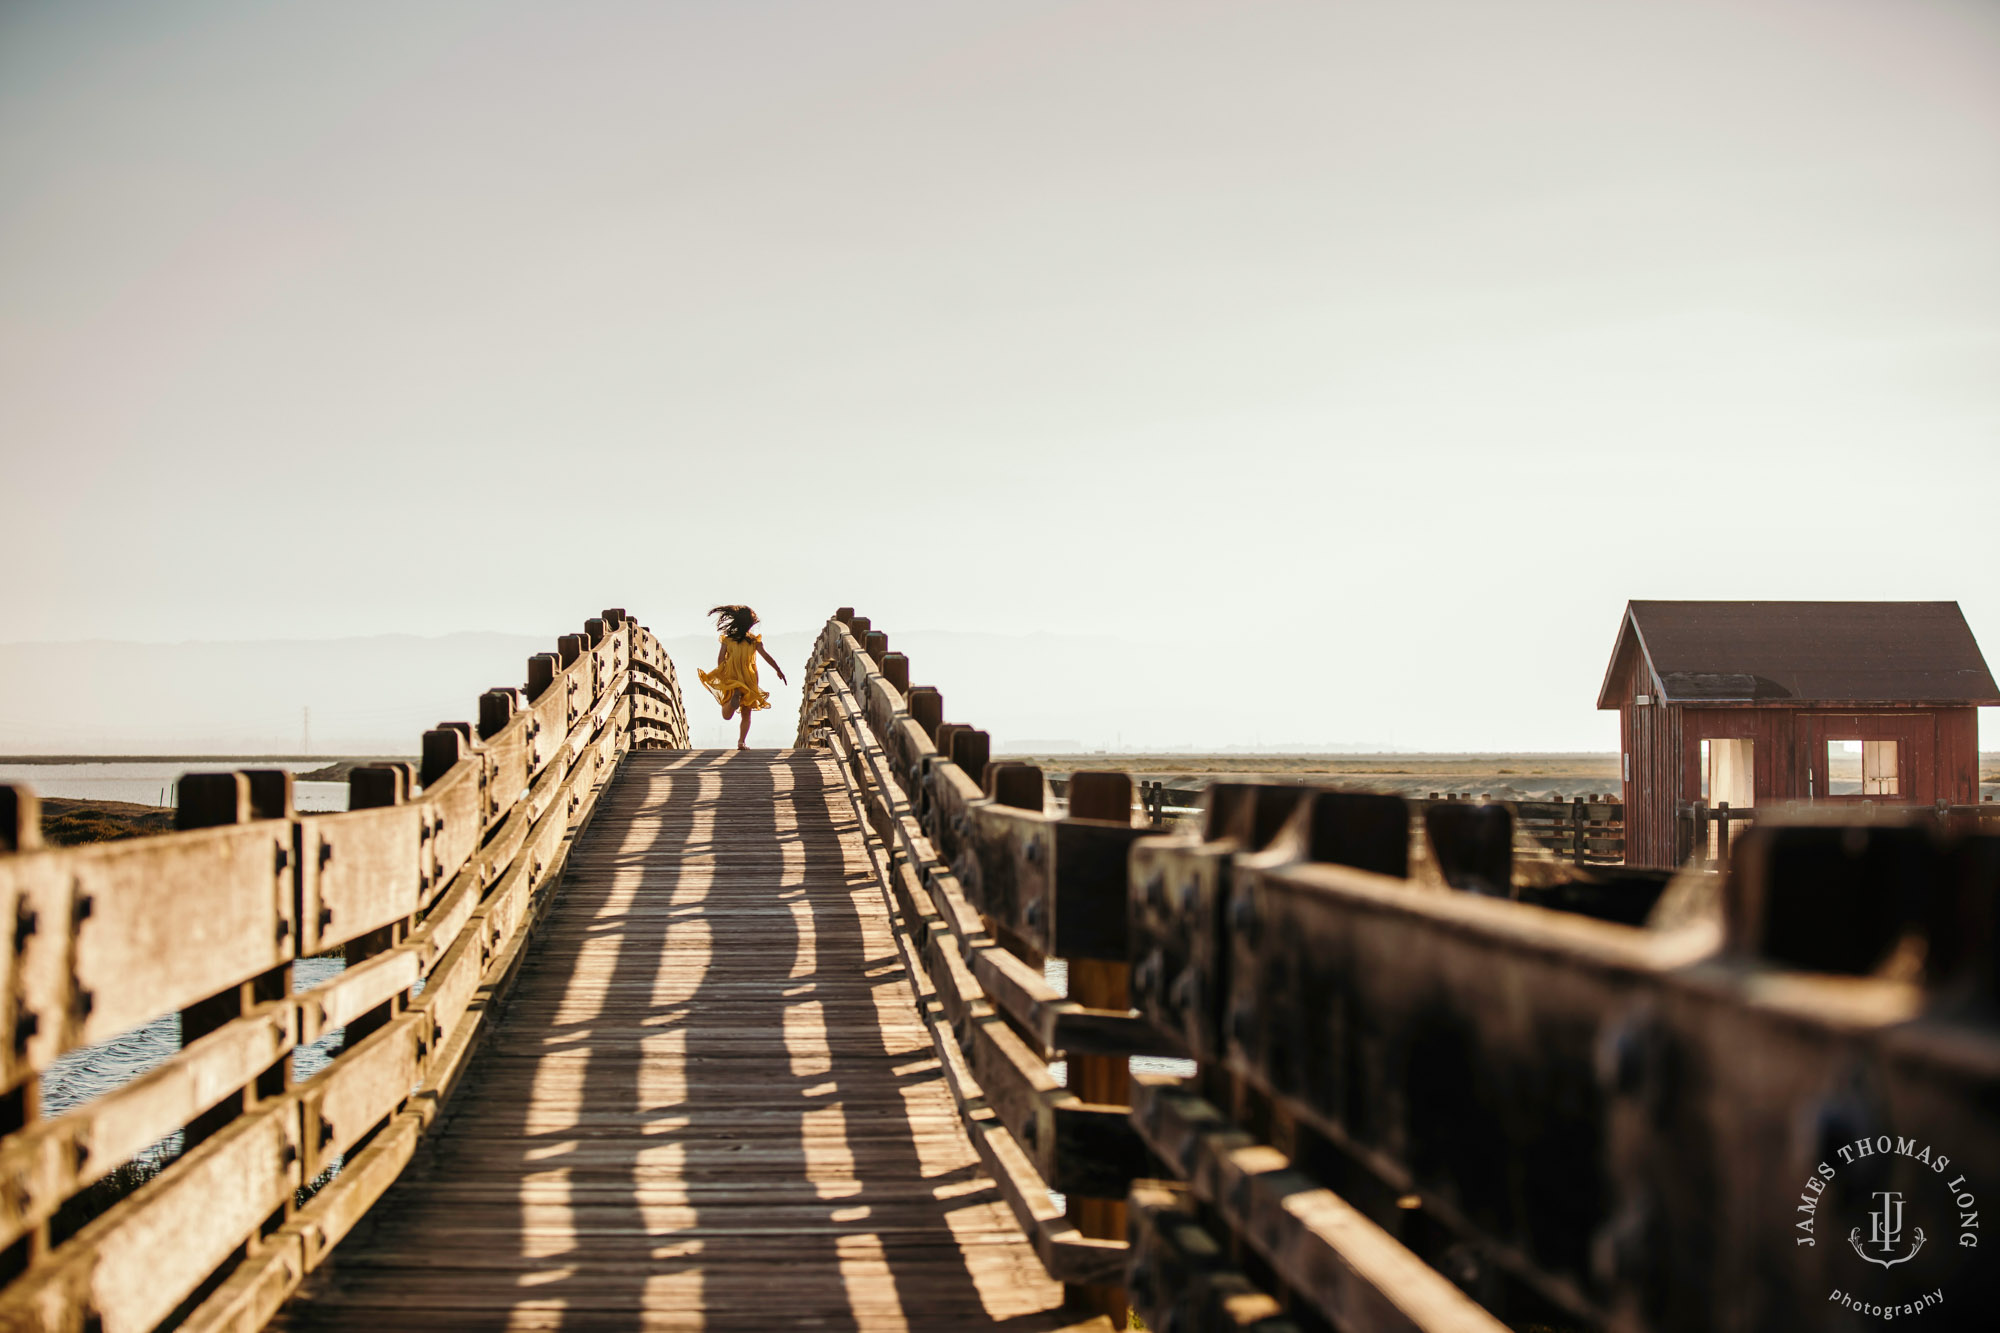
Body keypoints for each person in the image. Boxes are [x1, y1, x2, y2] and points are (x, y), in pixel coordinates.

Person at [696, 604, 787, 749]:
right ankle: (741, 742)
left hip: (732, 676)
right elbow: (766, 657)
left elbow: (720, 659)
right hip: (749, 678)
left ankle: (733, 701)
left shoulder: (728, 640)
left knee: (726, 715)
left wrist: (722, 672)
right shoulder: (754, 641)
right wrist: (778, 670)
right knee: (746, 713)